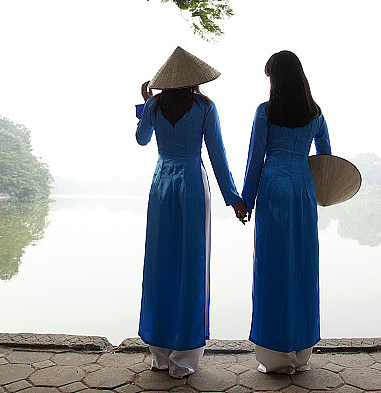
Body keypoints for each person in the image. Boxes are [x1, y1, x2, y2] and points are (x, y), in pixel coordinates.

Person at [136, 46, 248, 378]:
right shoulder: (205, 107)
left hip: (161, 186)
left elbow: (142, 139)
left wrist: (144, 100)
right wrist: (235, 199)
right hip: (193, 187)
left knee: (159, 264)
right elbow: (217, 156)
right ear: (194, 79)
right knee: (192, 264)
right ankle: (184, 359)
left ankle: (159, 353)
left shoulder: (154, 106)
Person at [241, 50, 331, 374]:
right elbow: (326, 158)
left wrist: (245, 201)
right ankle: (302, 353)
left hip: (273, 190)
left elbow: (255, 158)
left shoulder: (265, 112)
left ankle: (276, 357)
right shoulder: (316, 114)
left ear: (277, 79)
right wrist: (323, 190)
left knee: (273, 268)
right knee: (303, 266)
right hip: (304, 191)